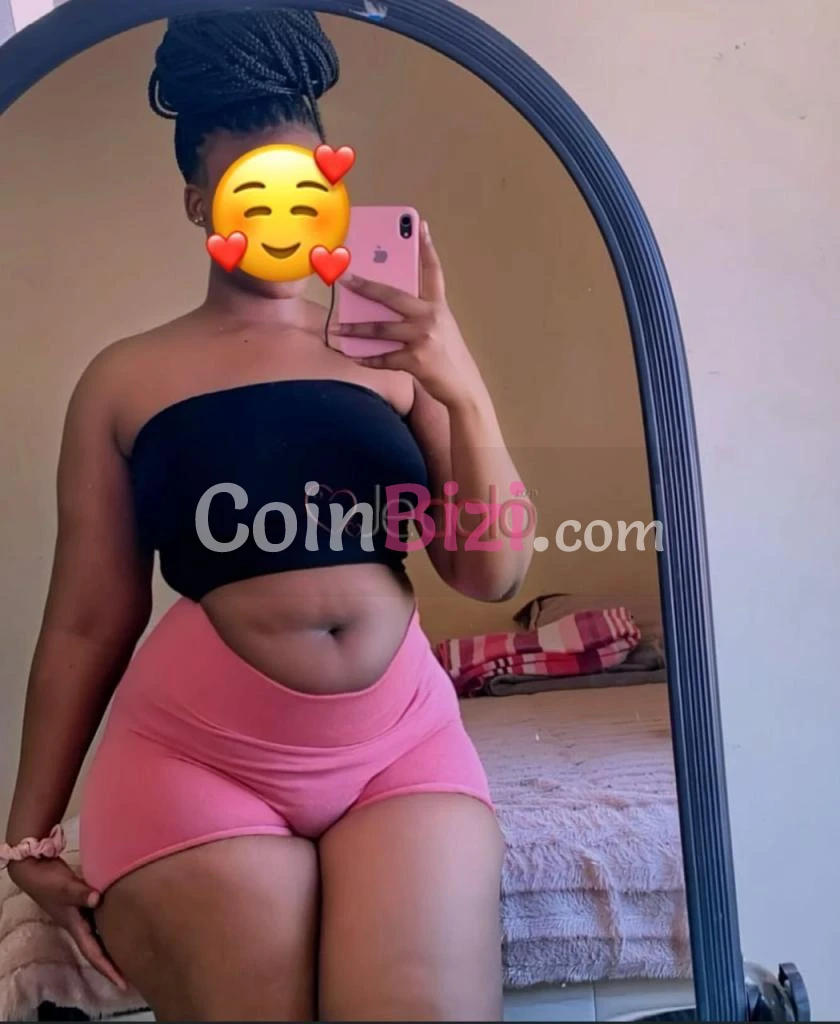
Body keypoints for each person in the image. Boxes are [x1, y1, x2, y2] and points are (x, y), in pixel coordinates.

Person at [2, 10, 531, 1021]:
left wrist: (459, 386)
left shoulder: (396, 357)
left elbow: (491, 570)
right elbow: (87, 620)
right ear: (199, 201)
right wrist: (28, 831)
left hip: (401, 748)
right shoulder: (124, 380)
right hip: (195, 760)